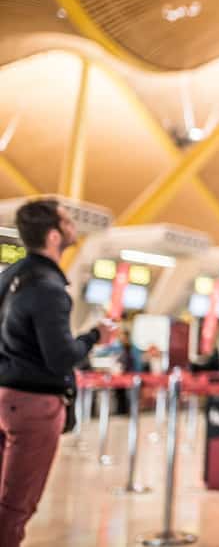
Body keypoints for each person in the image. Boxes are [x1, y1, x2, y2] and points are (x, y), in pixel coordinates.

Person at [0, 199, 115, 545]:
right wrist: (96, 335)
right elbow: (61, 358)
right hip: (34, 406)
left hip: (4, 397)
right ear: (53, 236)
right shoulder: (49, 288)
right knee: (15, 507)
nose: (73, 227)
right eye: (67, 222)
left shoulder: (9, 276)